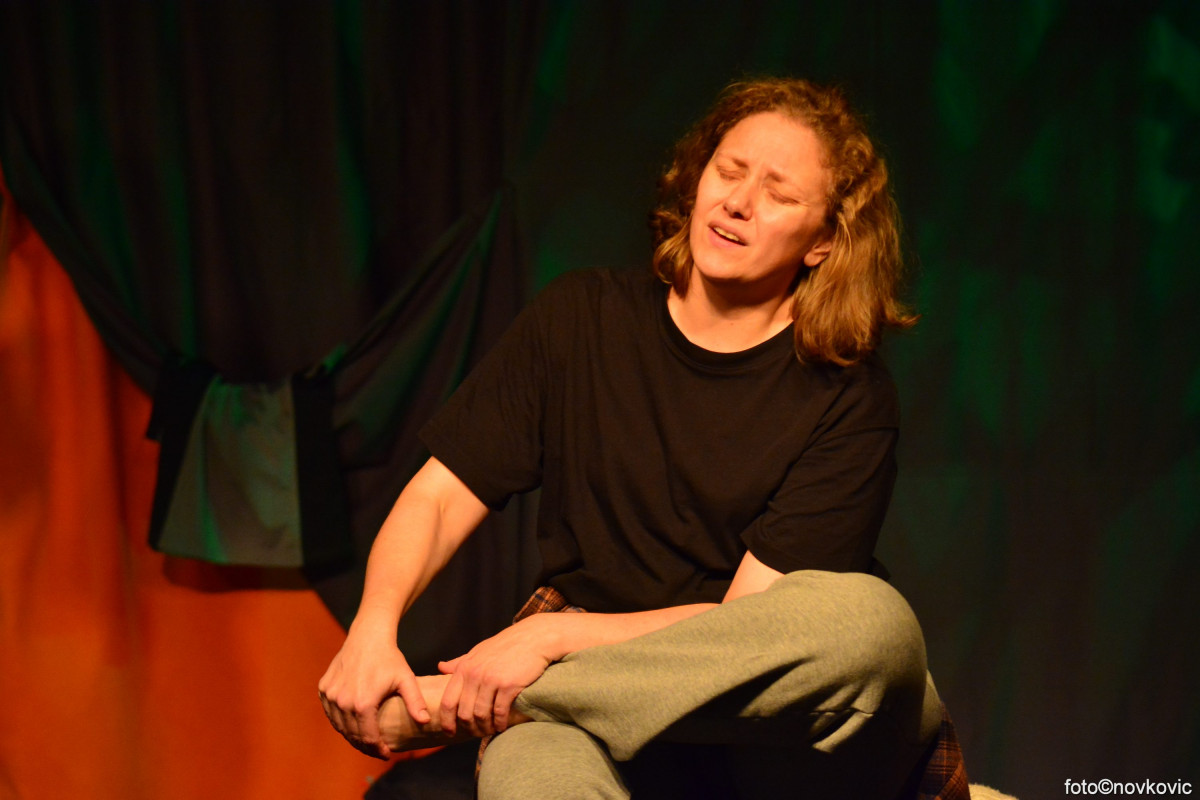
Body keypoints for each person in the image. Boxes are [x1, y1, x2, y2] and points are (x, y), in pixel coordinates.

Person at [320, 77, 949, 799]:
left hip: (761, 738)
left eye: (778, 194)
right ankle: (521, 704)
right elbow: (438, 497)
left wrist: (551, 639)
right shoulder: (580, 319)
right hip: (578, 710)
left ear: (824, 242)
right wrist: (370, 631)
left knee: (871, 624)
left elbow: (743, 636)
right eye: (729, 171)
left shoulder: (849, 396)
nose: (739, 202)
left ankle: (452, 710)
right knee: (531, 779)